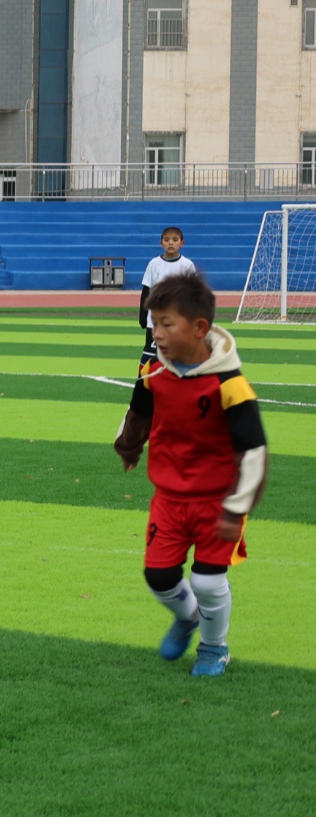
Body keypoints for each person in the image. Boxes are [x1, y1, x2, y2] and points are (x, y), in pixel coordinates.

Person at [113, 272, 267, 678]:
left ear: (199, 328)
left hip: (218, 501)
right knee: (159, 577)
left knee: (208, 582)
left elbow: (254, 452)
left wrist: (236, 508)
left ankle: (214, 648)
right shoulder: (152, 371)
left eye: (167, 323)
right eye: (154, 323)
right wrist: (129, 447)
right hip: (169, 498)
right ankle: (187, 619)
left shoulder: (230, 384)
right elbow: (139, 414)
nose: (157, 333)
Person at [138, 226, 196, 362]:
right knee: (149, 357)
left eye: (175, 240)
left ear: (182, 243)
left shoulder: (187, 265)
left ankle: (175, 382)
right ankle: (143, 382)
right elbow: (146, 291)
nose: (170, 243)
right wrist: (143, 314)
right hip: (155, 321)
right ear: (161, 243)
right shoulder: (154, 264)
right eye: (167, 239)